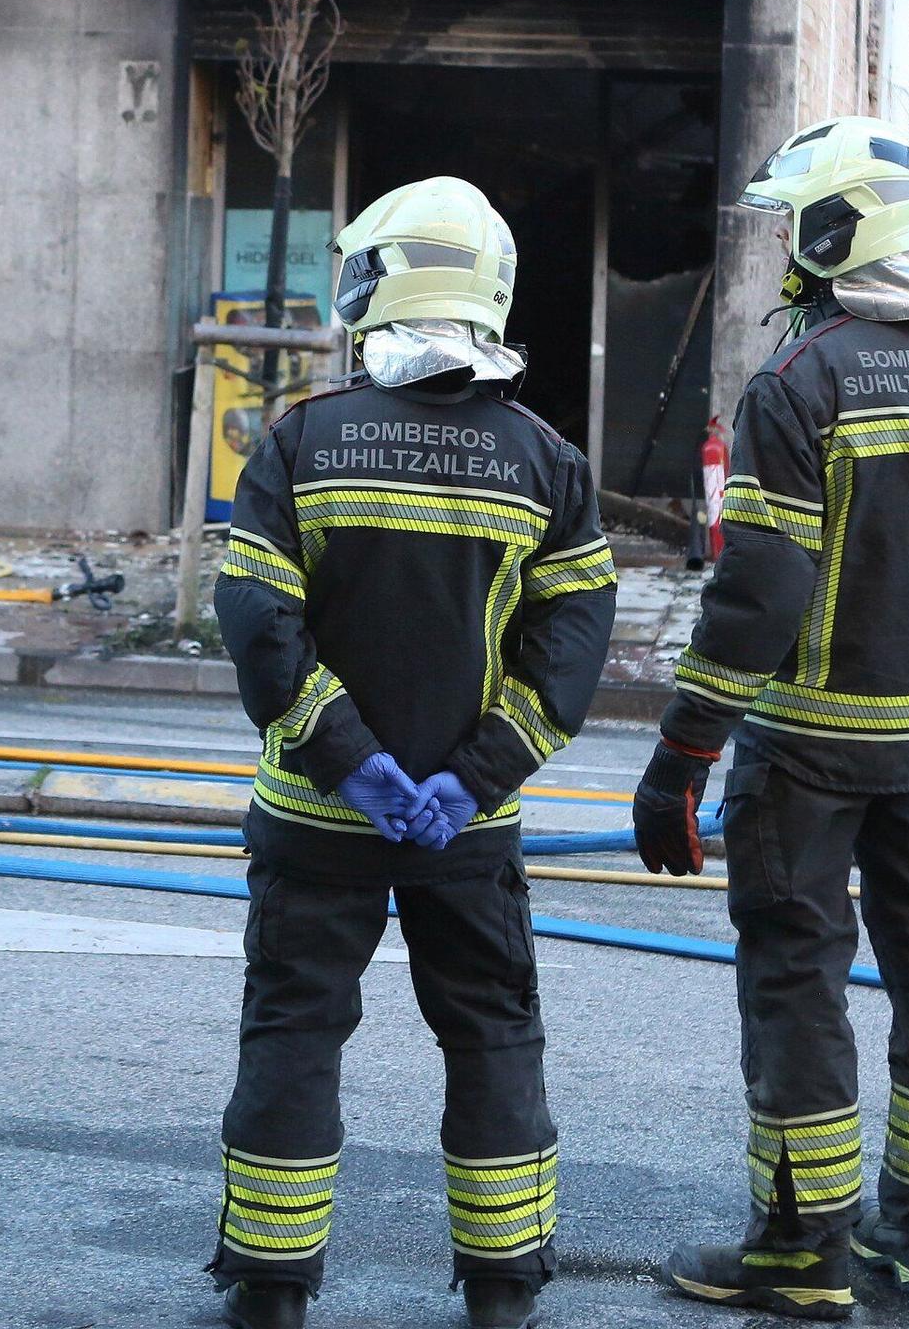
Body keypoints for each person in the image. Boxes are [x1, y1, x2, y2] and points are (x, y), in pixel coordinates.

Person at [634, 117, 909, 1319]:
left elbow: (759, 589)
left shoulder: (800, 380)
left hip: (806, 749)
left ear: (832, 235)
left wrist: (680, 756)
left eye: (790, 233)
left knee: (798, 981)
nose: (782, 259)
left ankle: (798, 1250)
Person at [208, 176, 617, 1329]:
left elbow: (254, 619)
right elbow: (574, 644)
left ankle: (272, 1291)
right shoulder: (546, 461)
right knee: (490, 1034)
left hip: (314, 817)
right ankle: (501, 1289)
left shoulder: (301, 438)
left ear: (375, 286)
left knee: (293, 1028)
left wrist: (346, 757)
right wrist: (473, 773)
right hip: (465, 835)